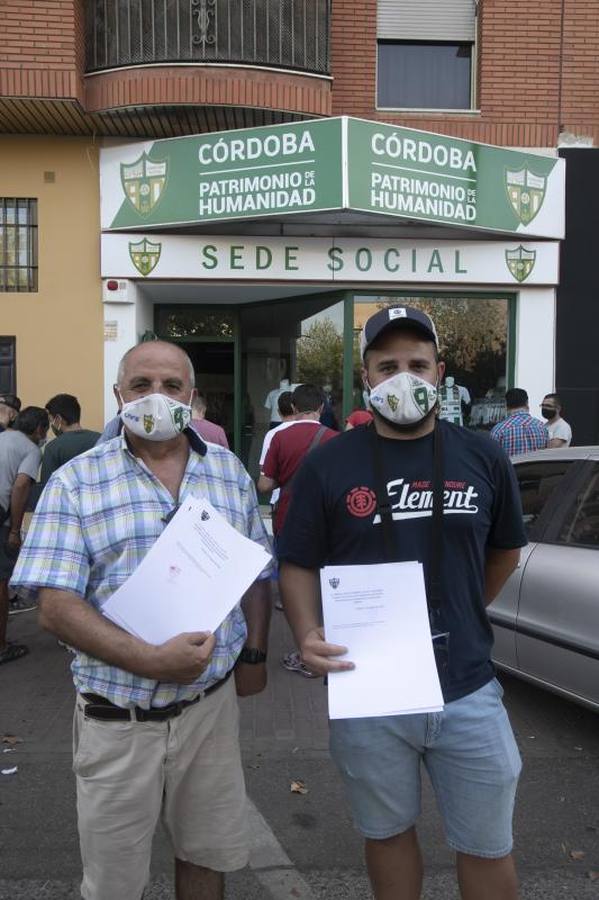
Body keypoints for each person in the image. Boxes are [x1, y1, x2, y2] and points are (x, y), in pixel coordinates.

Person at [278, 305, 526, 900]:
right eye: (387, 365)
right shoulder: (328, 462)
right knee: (387, 834)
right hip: (372, 690)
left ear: (440, 372)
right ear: (366, 377)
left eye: (417, 363)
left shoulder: (482, 454)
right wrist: (307, 632)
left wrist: (460, 608)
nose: (403, 376)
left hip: (467, 685)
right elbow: (298, 562)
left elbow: (503, 553)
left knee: (488, 845)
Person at [10, 341, 272, 900]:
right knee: (114, 883)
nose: (157, 397)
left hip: (209, 710)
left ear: (192, 396)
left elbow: (254, 569)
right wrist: (150, 660)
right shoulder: (77, 481)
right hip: (118, 718)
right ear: (118, 394)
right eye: (141, 385)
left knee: (206, 859)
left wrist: (254, 655)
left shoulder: (227, 472)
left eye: (172, 386)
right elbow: (55, 607)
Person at [258, 383, 338, 677]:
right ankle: (329, 647)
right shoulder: (334, 439)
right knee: (326, 583)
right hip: (328, 522)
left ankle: (305, 649)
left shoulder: (278, 436)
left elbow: (264, 484)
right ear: (320, 408)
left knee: (295, 584)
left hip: (288, 519)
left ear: (292, 408)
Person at [0, 406, 49, 665]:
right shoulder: (30, 449)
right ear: (39, 429)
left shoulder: (2, 437)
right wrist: (15, 530)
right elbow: (20, 485)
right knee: (0, 582)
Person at [41, 394, 101, 484]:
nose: (51, 425)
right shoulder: (101, 439)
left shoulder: (52, 448)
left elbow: (47, 486)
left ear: (58, 419)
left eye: (51, 420)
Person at [490, 388, 548, 456]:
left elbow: (493, 458)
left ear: (507, 405)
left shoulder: (499, 430)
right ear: (527, 403)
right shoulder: (541, 427)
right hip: (537, 467)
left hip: (512, 466)